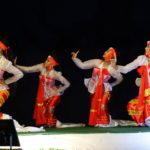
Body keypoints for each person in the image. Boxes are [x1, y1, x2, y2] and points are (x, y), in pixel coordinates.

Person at [71, 48, 123, 127]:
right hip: (94, 88)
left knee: (102, 105)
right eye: (106, 50)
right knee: (95, 106)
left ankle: (106, 122)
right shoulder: (97, 62)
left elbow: (120, 79)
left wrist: (111, 85)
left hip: (105, 89)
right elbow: (83, 66)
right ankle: (97, 122)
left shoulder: (112, 69)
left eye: (107, 51)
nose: (105, 52)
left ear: (111, 56)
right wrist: (75, 58)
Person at [15, 55, 70, 127]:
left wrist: (59, 89)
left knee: (49, 111)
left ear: (52, 64)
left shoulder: (55, 74)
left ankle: (51, 125)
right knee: (43, 113)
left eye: (48, 61)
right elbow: (28, 69)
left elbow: (67, 84)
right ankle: (56, 124)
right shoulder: (41, 67)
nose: (45, 62)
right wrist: (16, 66)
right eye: (46, 60)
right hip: (43, 95)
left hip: (54, 95)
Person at [118, 41, 150, 127]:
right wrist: (114, 67)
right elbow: (125, 69)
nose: (145, 48)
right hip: (145, 94)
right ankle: (145, 119)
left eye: (148, 47)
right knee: (132, 105)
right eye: (146, 46)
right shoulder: (143, 59)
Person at [0, 40, 24, 118]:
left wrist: (6, 81)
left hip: (2, 90)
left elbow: (19, 74)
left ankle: (8, 122)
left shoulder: (4, 63)